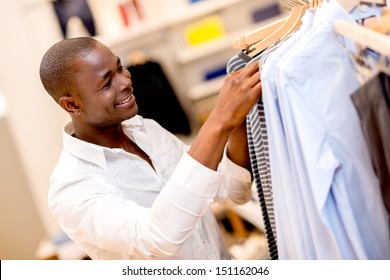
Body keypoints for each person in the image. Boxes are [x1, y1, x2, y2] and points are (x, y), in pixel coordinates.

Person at [39, 37, 261, 260]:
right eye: (107, 83)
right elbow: (158, 238)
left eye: (120, 68)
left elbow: (232, 192)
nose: (125, 81)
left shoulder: (147, 130)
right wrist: (220, 119)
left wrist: (236, 121)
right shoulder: (72, 189)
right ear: (72, 105)